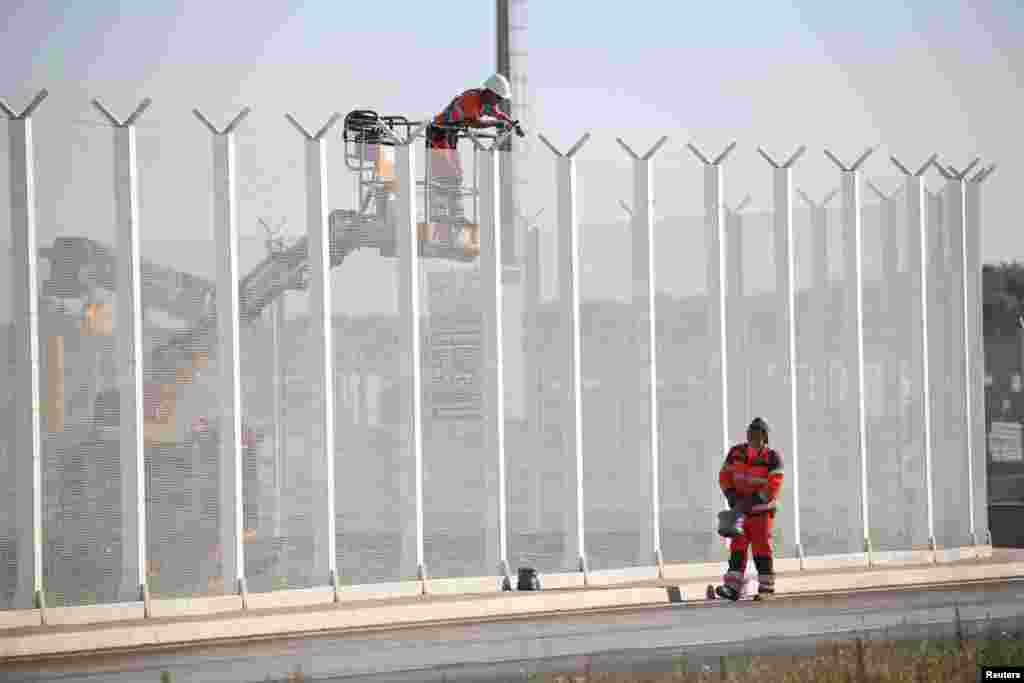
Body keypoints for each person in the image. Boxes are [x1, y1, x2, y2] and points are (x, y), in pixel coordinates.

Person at [426, 74, 525, 230]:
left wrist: (511, 123)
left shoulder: (485, 101)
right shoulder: (471, 100)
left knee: (456, 173)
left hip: (450, 133)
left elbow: (497, 114)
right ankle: (438, 213)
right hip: (438, 132)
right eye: (498, 98)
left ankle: (455, 214)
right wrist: (497, 124)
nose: (499, 102)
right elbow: (475, 122)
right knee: (446, 172)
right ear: (490, 92)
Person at [716, 417, 784, 601]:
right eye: (750, 432)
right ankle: (732, 587)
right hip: (741, 511)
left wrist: (753, 500)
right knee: (737, 548)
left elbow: (774, 484)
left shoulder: (772, 458)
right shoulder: (736, 453)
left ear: (765, 437)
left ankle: (766, 589)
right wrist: (731, 495)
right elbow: (724, 475)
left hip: (761, 512)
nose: (752, 436)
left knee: (761, 549)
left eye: (757, 433)